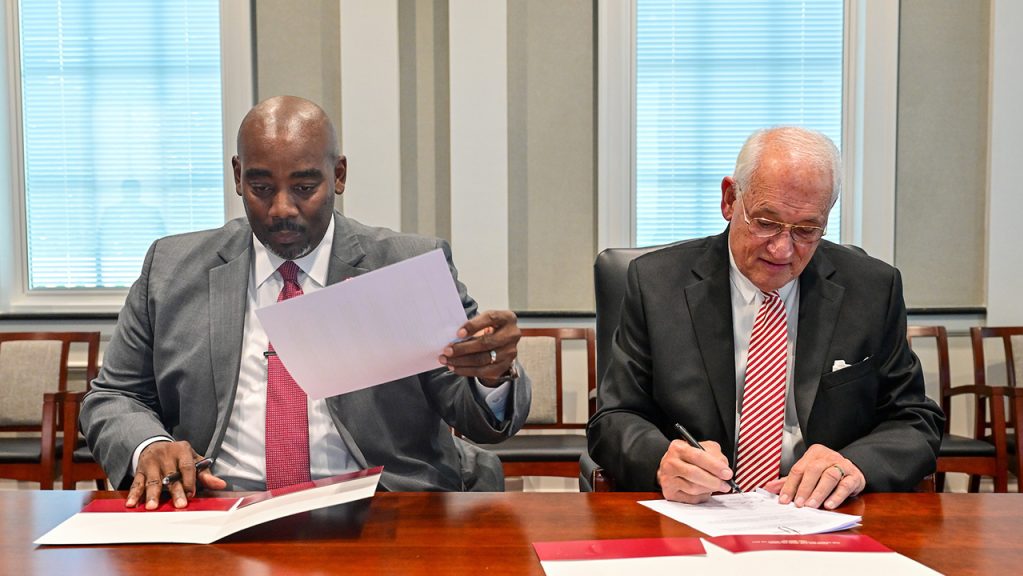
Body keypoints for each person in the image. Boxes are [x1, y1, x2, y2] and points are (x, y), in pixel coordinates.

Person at [81, 96, 531, 509]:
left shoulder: (402, 266)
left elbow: (473, 415)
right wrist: (148, 445)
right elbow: (113, 396)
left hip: (383, 512)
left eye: (303, 187)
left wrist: (492, 375)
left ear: (338, 175)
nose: (281, 208)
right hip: (218, 508)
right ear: (238, 176)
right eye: (261, 187)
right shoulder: (172, 268)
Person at [587, 126, 942, 510]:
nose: (782, 249)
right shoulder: (656, 284)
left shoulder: (872, 288)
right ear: (729, 200)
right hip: (697, 512)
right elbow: (614, 417)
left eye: (806, 230)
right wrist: (661, 461)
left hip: (821, 516)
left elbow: (914, 419)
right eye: (766, 222)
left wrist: (853, 464)